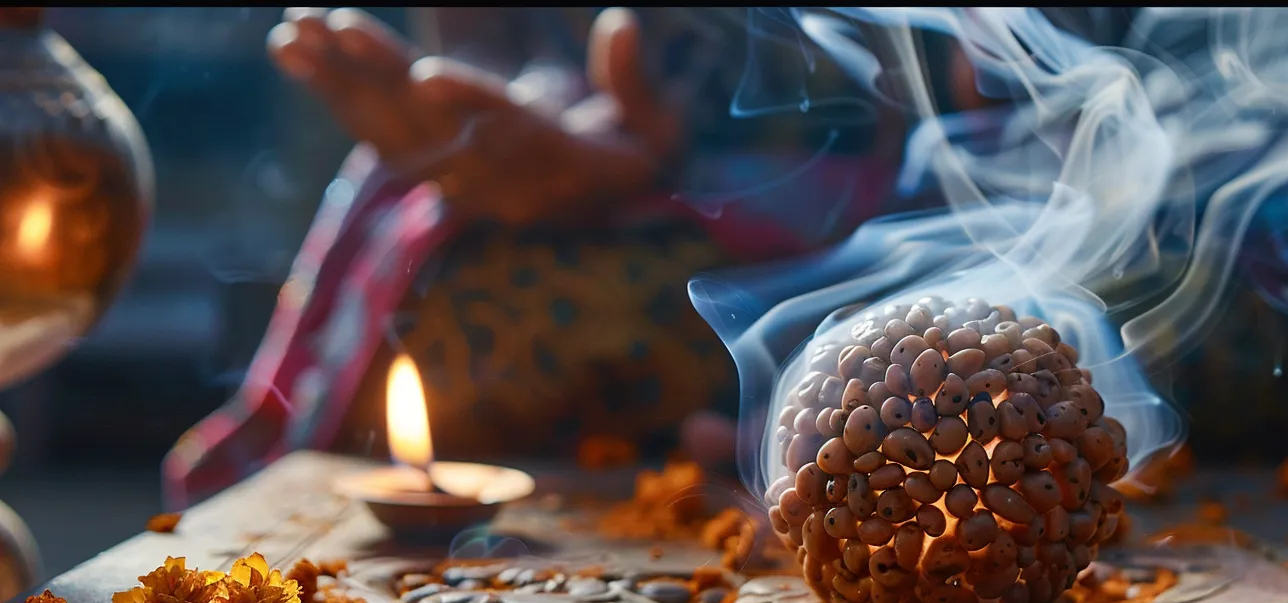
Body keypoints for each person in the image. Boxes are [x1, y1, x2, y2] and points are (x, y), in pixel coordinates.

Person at [160, 7, 909, 508]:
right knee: (465, 310)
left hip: (843, 222)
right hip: (508, 197)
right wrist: (528, 95)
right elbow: (483, 33)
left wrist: (674, 147)